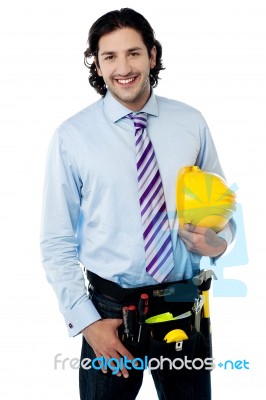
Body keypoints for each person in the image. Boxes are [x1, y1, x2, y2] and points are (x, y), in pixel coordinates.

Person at [40, 8, 235, 400]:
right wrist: (86, 322)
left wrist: (220, 243)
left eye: (133, 52)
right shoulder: (71, 137)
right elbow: (56, 240)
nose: (123, 67)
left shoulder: (191, 123)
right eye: (109, 56)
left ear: (153, 56)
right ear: (96, 62)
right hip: (110, 311)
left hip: (183, 303)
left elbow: (224, 206)